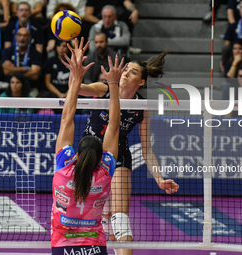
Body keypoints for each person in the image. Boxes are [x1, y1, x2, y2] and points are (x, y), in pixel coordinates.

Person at [63, 44, 180, 255]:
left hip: (118, 156)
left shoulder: (142, 108)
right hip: (89, 153)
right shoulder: (104, 89)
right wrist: (76, 70)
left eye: (132, 72)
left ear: (141, 82)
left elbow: (147, 150)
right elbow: (77, 88)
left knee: (120, 220)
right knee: (98, 219)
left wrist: (159, 179)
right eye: (125, 69)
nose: (126, 73)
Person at [51, 37, 121, 255]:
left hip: (63, 246)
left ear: (76, 154)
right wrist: (113, 85)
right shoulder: (104, 172)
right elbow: (114, 127)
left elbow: (66, 118)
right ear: (101, 157)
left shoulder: (65, 167)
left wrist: (76, 77)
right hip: (95, 247)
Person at [1, 27, 43, 95]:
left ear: (30, 38)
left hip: (30, 88)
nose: (22, 38)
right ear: (15, 37)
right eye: (19, 35)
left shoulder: (36, 54)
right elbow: (7, 71)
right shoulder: (7, 52)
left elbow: (34, 75)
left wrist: (14, 70)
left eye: (25, 35)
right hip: (10, 87)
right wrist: (26, 69)